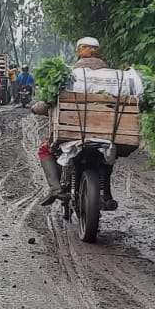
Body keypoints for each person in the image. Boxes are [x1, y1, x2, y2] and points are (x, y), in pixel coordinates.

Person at [33, 37, 116, 209]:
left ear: (84, 50)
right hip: (106, 131)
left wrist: (35, 108)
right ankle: (106, 193)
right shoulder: (114, 77)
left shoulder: (70, 74)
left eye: (79, 48)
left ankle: (56, 189)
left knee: (44, 150)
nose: (78, 51)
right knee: (109, 157)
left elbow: (49, 101)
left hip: (74, 130)